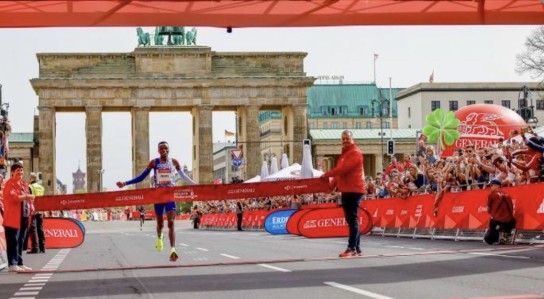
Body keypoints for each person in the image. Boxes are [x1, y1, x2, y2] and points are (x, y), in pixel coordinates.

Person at [116, 141, 196, 262]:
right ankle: (159, 236)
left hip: (170, 195)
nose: (164, 151)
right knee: (160, 224)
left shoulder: (174, 162)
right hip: (158, 196)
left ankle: (173, 249)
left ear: (169, 150)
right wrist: (125, 183)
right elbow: (142, 177)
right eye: (161, 149)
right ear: (158, 151)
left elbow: (184, 176)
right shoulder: (154, 162)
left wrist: (196, 185)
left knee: (171, 222)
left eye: (166, 149)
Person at [322, 130, 366, 257]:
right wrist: (330, 187)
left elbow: (343, 169)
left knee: (352, 219)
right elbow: (340, 174)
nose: (345, 140)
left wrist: (326, 174)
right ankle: (356, 248)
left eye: (347, 138)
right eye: (343, 138)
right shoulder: (345, 154)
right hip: (347, 190)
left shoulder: (355, 153)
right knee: (351, 219)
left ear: (353, 139)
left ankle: (352, 248)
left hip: (354, 189)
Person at [2, 162, 35, 272]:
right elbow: (13, 198)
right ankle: (12, 263)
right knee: (13, 241)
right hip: (12, 217)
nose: (20, 173)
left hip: (24, 216)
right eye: (17, 171)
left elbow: (28, 200)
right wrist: (26, 196)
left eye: (21, 170)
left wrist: (32, 207)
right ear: (12, 172)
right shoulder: (9, 184)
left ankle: (20, 263)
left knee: (21, 240)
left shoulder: (24, 184)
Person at [484, 179, 516, 245]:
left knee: (492, 222)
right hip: (509, 220)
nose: (490, 187)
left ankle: (497, 237)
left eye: (491, 185)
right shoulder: (507, 195)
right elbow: (511, 207)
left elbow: (488, 209)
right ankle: (503, 236)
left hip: (497, 220)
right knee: (501, 221)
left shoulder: (491, 195)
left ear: (497, 186)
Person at [26, 172, 46, 254]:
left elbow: (28, 198)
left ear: (31, 178)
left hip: (33, 210)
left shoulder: (30, 186)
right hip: (40, 209)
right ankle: (43, 247)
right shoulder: (41, 187)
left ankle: (35, 248)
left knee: (32, 228)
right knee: (40, 228)